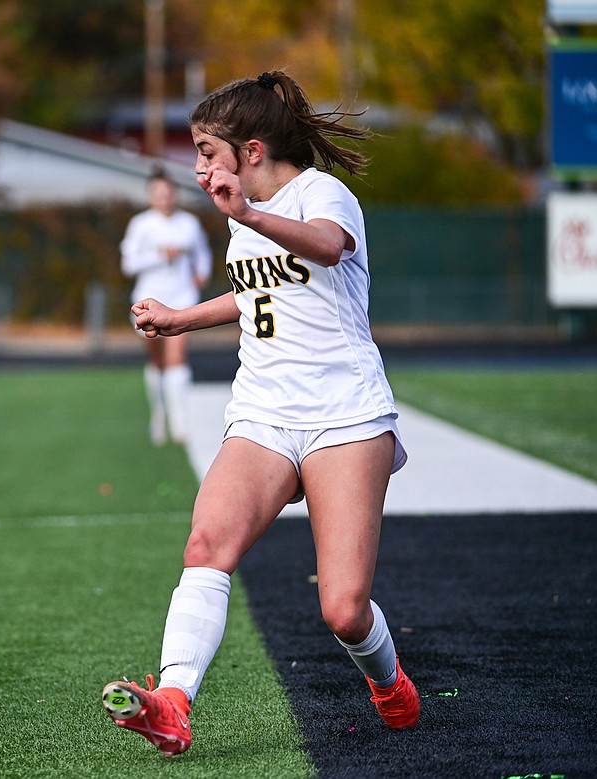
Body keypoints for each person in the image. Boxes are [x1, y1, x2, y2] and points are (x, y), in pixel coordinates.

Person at [101, 70, 419, 756]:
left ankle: (390, 681)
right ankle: (173, 701)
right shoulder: (246, 219)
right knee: (205, 545)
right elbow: (256, 296)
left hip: (344, 417)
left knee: (342, 609)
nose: (198, 166)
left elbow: (327, 246)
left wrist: (245, 213)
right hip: (264, 412)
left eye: (207, 151)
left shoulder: (319, 193)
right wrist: (182, 318)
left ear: (249, 151)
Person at [120, 169, 213, 445]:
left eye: (169, 192)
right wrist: (161, 255)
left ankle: (179, 419)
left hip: (181, 299)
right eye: (159, 193)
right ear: (151, 196)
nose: (165, 198)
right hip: (147, 301)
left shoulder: (189, 223)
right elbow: (129, 264)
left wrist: (201, 273)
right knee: (157, 361)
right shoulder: (140, 224)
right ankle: (158, 413)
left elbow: (202, 253)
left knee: (176, 358)